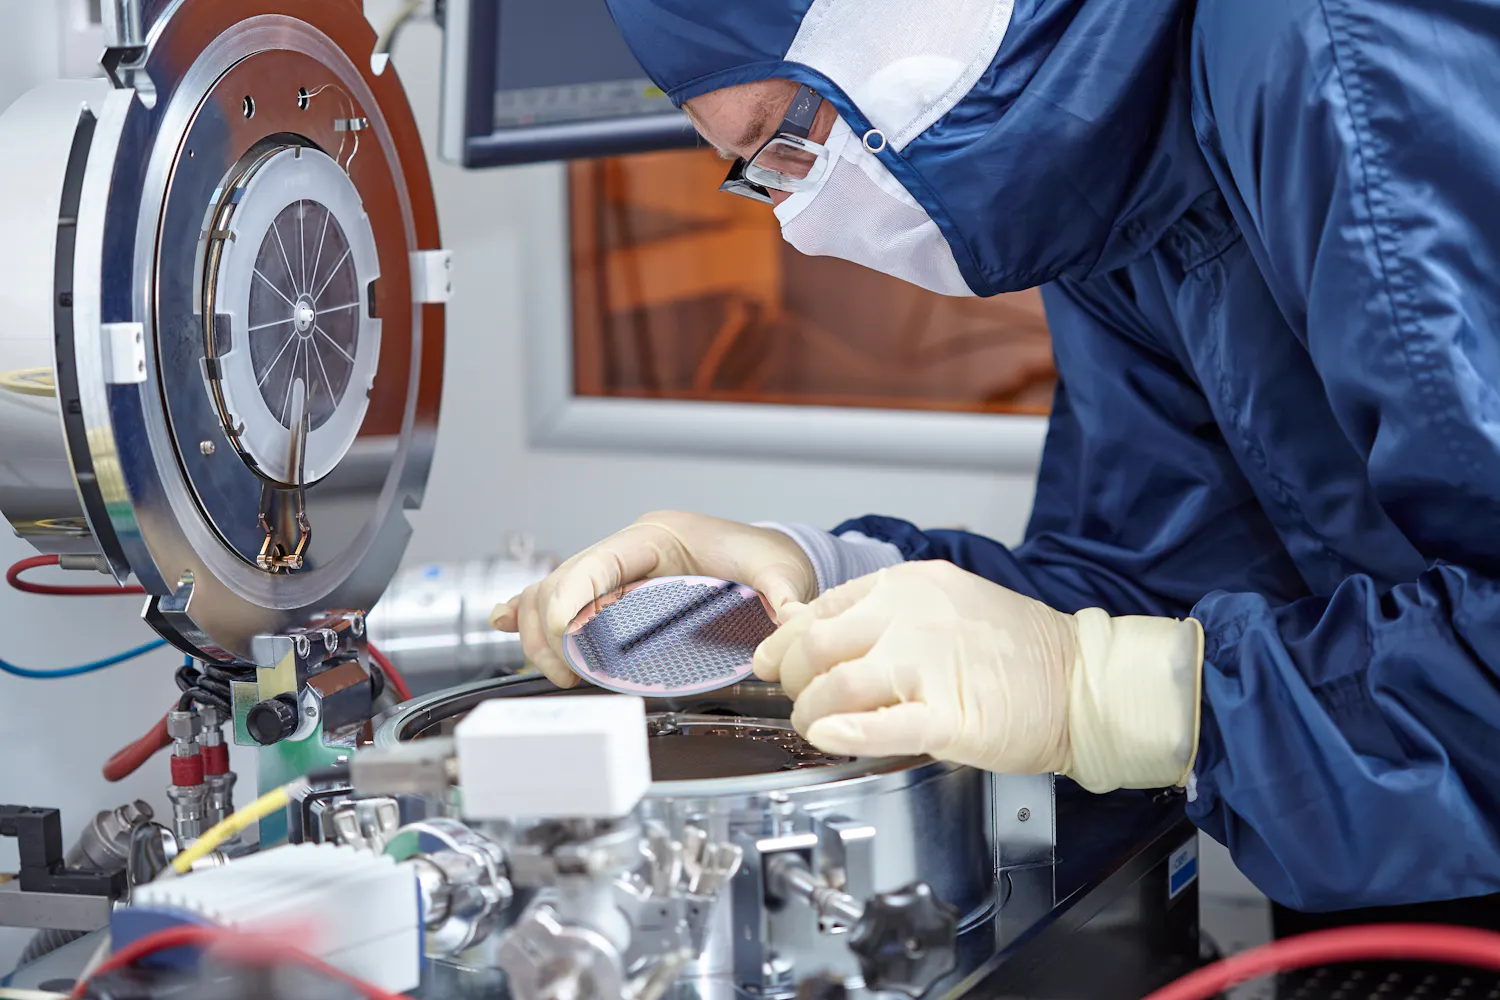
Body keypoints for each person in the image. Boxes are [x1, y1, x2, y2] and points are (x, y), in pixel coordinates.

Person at [494, 0, 1500, 922]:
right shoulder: (1119, 170)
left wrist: (1114, 691)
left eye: (791, 142)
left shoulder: (1339, 56)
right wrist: (828, 586)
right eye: (756, 175)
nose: (799, 230)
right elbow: (1162, 573)